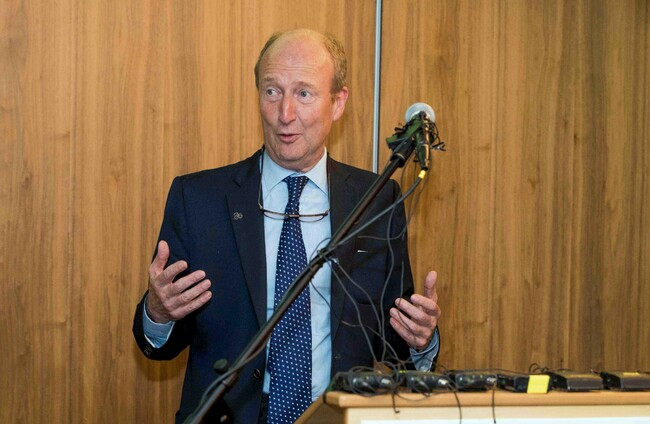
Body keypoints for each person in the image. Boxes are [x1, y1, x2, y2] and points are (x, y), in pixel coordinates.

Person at [133, 29, 441, 424]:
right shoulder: (199, 199)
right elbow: (159, 347)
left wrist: (420, 340)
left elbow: (391, 344)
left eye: (304, 94)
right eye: (272, 91)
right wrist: (158, 313)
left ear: (338, 102)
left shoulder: (376, 200)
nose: (285, 114)